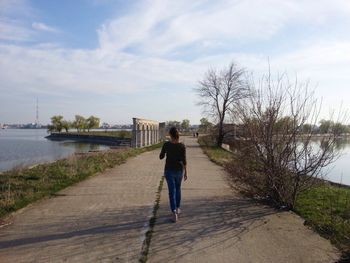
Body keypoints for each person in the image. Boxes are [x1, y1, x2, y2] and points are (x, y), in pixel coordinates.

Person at [159, 127, 187, 222]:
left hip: (169, 171)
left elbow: (161, 157)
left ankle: (174, 212)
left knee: (172, 191)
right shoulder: (182, 146)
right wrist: (186, 172)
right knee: (178, 189)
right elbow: (184, 160)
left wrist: (164, 151)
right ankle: (178, 208)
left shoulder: (166, 144)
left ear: (170, 135)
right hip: (179, 171)